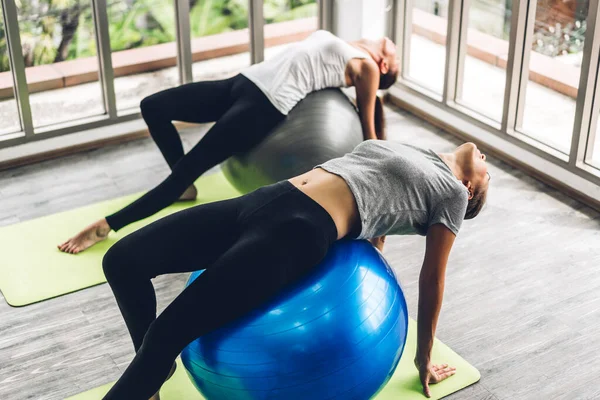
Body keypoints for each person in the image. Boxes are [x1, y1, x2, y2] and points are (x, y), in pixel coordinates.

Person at [97, 140, 490, 399]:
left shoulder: (452, 193)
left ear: (470, 190)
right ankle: (152, 374)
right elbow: (384, 206)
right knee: (121, 261)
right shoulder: (420, 150)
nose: (486, 160)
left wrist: (423, 357)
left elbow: (433, 277)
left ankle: (150, 370)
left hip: (296, 231)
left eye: (487, 173)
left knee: (168, 331)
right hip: (265, 199)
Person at [58, 30, 399, 254]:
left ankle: (105, 227)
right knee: (154, 106)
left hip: (264, 106)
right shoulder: (346, 45)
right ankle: (185, 186)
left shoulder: (367, 66)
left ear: (383, 64)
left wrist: (374, 179)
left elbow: (368, 129)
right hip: (241, 83)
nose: (390, 42)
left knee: (183, 170)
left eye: (393, 53)